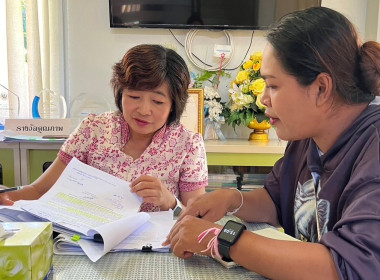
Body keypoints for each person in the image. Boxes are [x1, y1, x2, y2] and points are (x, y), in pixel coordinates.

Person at [164, 7, 380, 279]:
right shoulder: (307, 138)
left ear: (321, 89)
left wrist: (219, 239)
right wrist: (232, 199)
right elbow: (276, 203)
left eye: (273, 86)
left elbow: (349, 267)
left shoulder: (373, 150)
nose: (262, 99)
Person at [0, 44, 208, 212]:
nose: (144, 110)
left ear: (174, 105)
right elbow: (39, 190)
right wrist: (7, 198)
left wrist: (169, 202)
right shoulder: (93, 129)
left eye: (158, 102)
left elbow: (198, 216)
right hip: (91, 244)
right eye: (134, 97)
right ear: (120, 93)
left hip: (158, 249)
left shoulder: (188, 144)